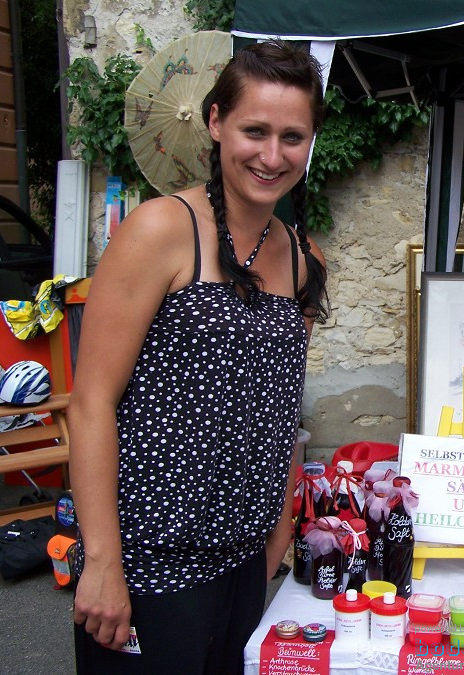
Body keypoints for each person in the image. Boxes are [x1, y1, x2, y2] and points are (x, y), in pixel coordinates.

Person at [67, 40, 329, 674]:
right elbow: (91, 403)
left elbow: (279, 405)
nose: (272, 156)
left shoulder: (303, 258)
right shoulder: (161, 231)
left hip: (244, 559)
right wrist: (103, 563)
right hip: (149, 560)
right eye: (254, 131)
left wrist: (281, 525)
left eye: (292, 137)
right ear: (215, 123)